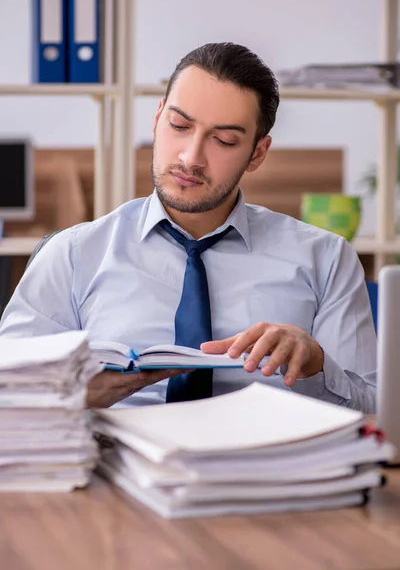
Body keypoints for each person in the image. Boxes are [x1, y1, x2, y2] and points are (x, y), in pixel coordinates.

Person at [0, 42, 376, 411]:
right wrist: (73, 398)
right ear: (158, 116)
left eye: (224, 140)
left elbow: (374, 408)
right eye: (179, 125)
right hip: (115, 464)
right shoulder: (73, 254)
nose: (190, 157)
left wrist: (315, 365)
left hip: (265, 466)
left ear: (257, 153)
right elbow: (8, 396)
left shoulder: (326, 259)